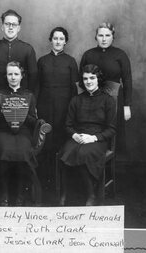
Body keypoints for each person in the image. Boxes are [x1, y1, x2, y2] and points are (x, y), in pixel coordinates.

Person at [58, 64, 116, 206]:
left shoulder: (108, 100)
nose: (88, 82)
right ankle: (65, 194)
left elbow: (112, 129)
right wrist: (75, 135)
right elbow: (68, 125)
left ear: (98, 79)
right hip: (79, 136)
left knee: (84, 153)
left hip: (98, 138)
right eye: (85, 79)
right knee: (65, 152)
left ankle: (91, 195)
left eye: (92, 78)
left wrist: (93, 138)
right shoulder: (76, 100)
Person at [36, 27, 79, 194]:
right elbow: (37, 85)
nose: (58, 42)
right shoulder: (42, 61)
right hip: (45, 104)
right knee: (45, 140)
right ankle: (46, 179)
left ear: (65, 42)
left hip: (64, 106)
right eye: (55, 38)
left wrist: (72, 109)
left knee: (62, 139)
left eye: (61, 39)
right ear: (50, 40)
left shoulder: (70, 61)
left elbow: (74, 89)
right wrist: (36, 108)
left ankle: (63, 182)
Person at [0, 61, 37, 206]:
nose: (13, 77)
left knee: (22, 149)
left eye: (16, 74)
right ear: (6, 76)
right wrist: (4, 112)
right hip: (2, 131)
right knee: (4, 148)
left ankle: (21, 195)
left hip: (23, 132)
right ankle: (4, 195)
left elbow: (34, 121)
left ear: (22, 76)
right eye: (10, 74)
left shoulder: (29, 95)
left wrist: (22, 113)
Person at [80, 22, 132, 120]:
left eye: (107, 35)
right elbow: (81, 80)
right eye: (101, 35)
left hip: (115, 99)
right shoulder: (88, 55)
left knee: (114, 130)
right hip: (92, 99)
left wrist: (127, 106)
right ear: (96, 37)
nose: (104, 39)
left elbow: (127, 81)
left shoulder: (120, 55)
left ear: (113, 37)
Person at [0, 9, 37, 101]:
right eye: (7, 24)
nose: (10, 27)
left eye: (14, 24)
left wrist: (27, 96)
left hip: (21, 99)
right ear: (2, 27)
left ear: (19, 28)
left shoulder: (28, 49)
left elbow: (33, 76)